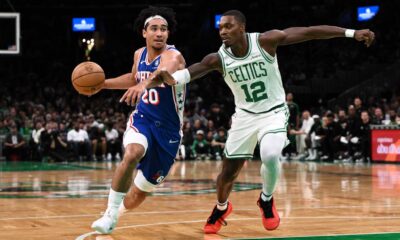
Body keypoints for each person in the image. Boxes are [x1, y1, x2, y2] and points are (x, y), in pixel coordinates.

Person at [153, 10, 375, 233]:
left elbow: (309, 33)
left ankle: (266, 199)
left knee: (269, 154)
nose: (222, 31)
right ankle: (221, 208)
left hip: (274, 112)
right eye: (220, 28)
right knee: (227, 173)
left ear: (242, 27)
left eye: (228, 26)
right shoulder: (218, 59)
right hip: (245, 117)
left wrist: (351, 32)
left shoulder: (266, 41)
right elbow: (190, 73)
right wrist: (170, 79)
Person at [90, 6, 186, 234]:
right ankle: (109, 213)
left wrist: (143, 84)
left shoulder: (174, 56)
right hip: (143, 118)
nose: (160, 33)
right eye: (154, 28)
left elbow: (162, 74)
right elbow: (133, 77)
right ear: (144, 32)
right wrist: (102, 84)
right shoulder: (138, 54)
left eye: (164, 29)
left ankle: (117, 214)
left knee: (138, 193)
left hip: (169, 132)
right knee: (132, 152)